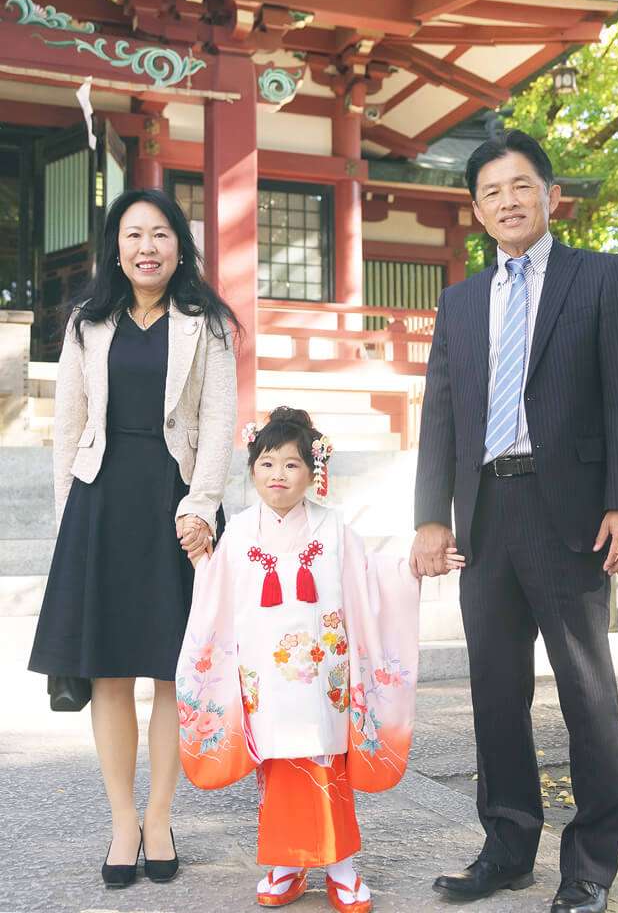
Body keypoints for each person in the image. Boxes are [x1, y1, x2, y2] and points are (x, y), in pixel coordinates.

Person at [411, 130, 618, 913]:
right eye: (491, 192)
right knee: (495, 690)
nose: (507, 201)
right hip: (487, 512)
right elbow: (440, 416)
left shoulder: (599, 277)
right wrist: (430, 520)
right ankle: (509, 846)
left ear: (550, 196)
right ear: (476, 211)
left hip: (572, 513)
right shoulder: (460, 301)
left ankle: (589, 865)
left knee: (587, 693)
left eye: (521, 186)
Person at [29, 188, 239, 888]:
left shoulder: (205, 322)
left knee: (173, 671)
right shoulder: (89, 322)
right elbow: (67, 426)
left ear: (180, 246)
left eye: (160, 234)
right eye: (133, 235)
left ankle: (159, 816)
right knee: (110, 669)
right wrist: (69, 523)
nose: (147, 247)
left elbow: (218, 422)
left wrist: (202, 505)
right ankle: (123, 820)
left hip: (173, 503)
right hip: (101, 500)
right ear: (115, 249)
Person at [176, 407, 434, 911]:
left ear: (313, 471)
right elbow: (216, 597)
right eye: (267, 463)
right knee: (277, 763)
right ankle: (287, 864)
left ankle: (341, 866)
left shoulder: (334, 527)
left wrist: (414, 568)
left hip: (324, 679)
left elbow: (374, 579)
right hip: (264, 676)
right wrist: (203, 563)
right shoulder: (241, 533)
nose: (278, 475)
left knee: (323, 758)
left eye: (292, 465)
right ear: (252, 467)